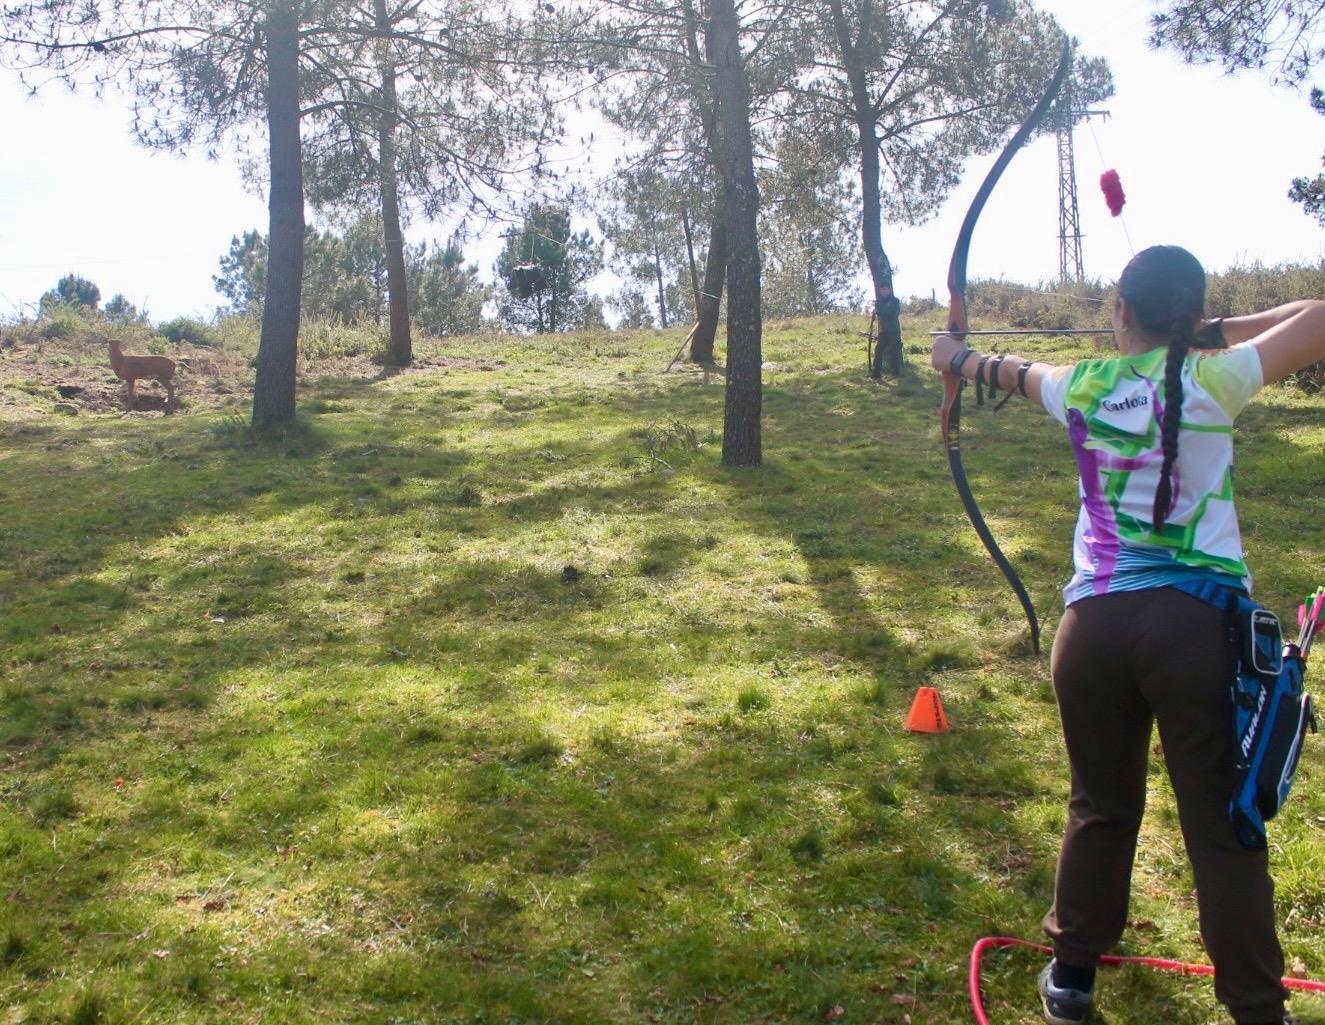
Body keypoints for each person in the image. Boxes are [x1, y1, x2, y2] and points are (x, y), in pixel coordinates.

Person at [930, 244, 1325, 1025]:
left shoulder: (1083, 383)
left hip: (1092, 631)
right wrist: (1206, 332)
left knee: (1100, 806)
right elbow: (1316, 318)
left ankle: (1071, 980)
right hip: (1190, 630)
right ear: (1191, 316)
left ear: (1119, 312)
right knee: (1220, 824)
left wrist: (956, 356)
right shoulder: (1213, 377)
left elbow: (1009, 372)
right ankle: (1255, 1009)